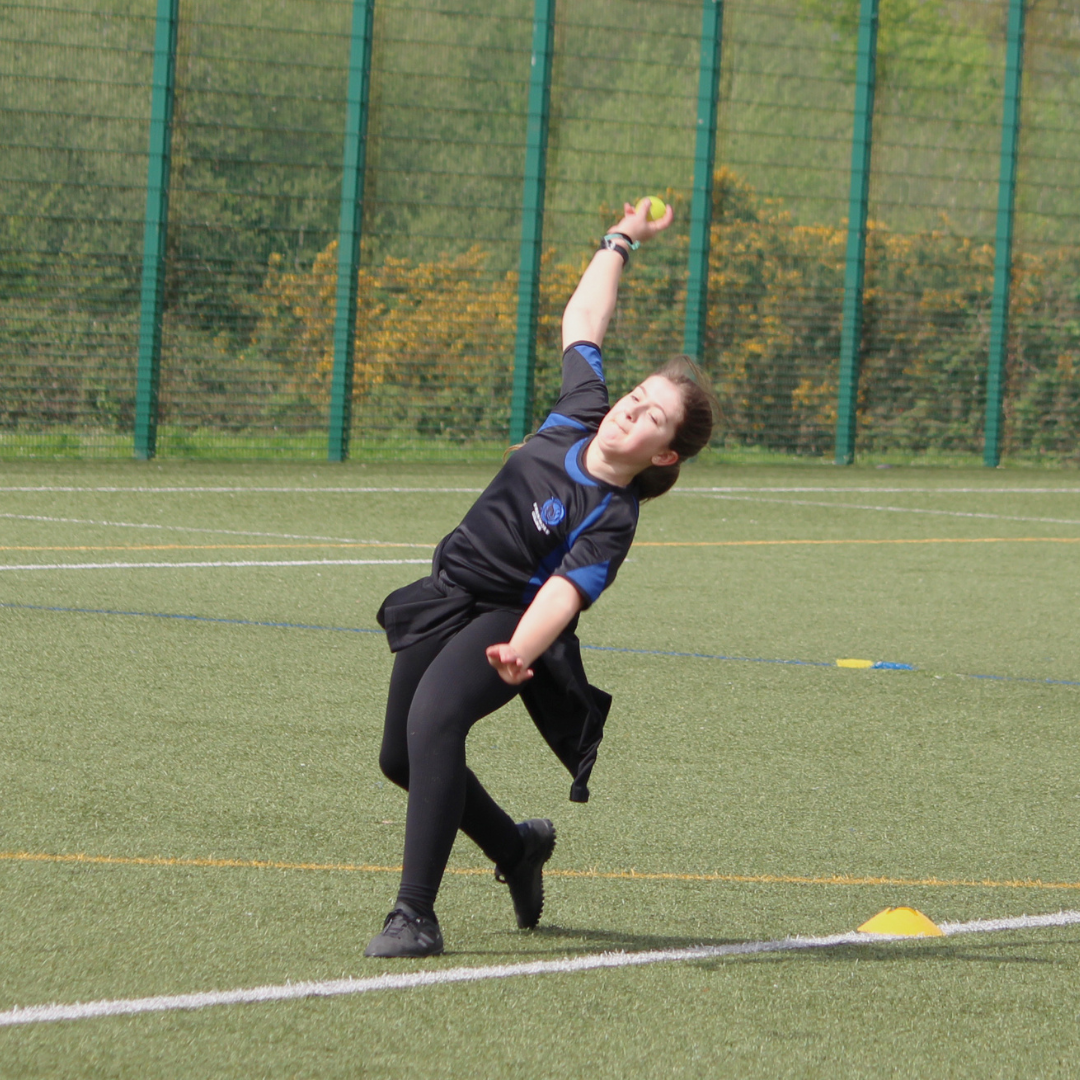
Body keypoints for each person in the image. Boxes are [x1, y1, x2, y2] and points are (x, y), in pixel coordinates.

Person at [365, 198, 717, 958]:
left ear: (665, 455)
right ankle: (517, 847)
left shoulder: (613, 515)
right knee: (400, 757)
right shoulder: (581, 407)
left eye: (653, 417)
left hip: (507, 619)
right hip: (449, 590)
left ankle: (415, 916)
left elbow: (564, 590)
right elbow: (584, 317)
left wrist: (520, 650)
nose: (632, 411)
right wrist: (621, 239)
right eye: (638, 396)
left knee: (435, 726)